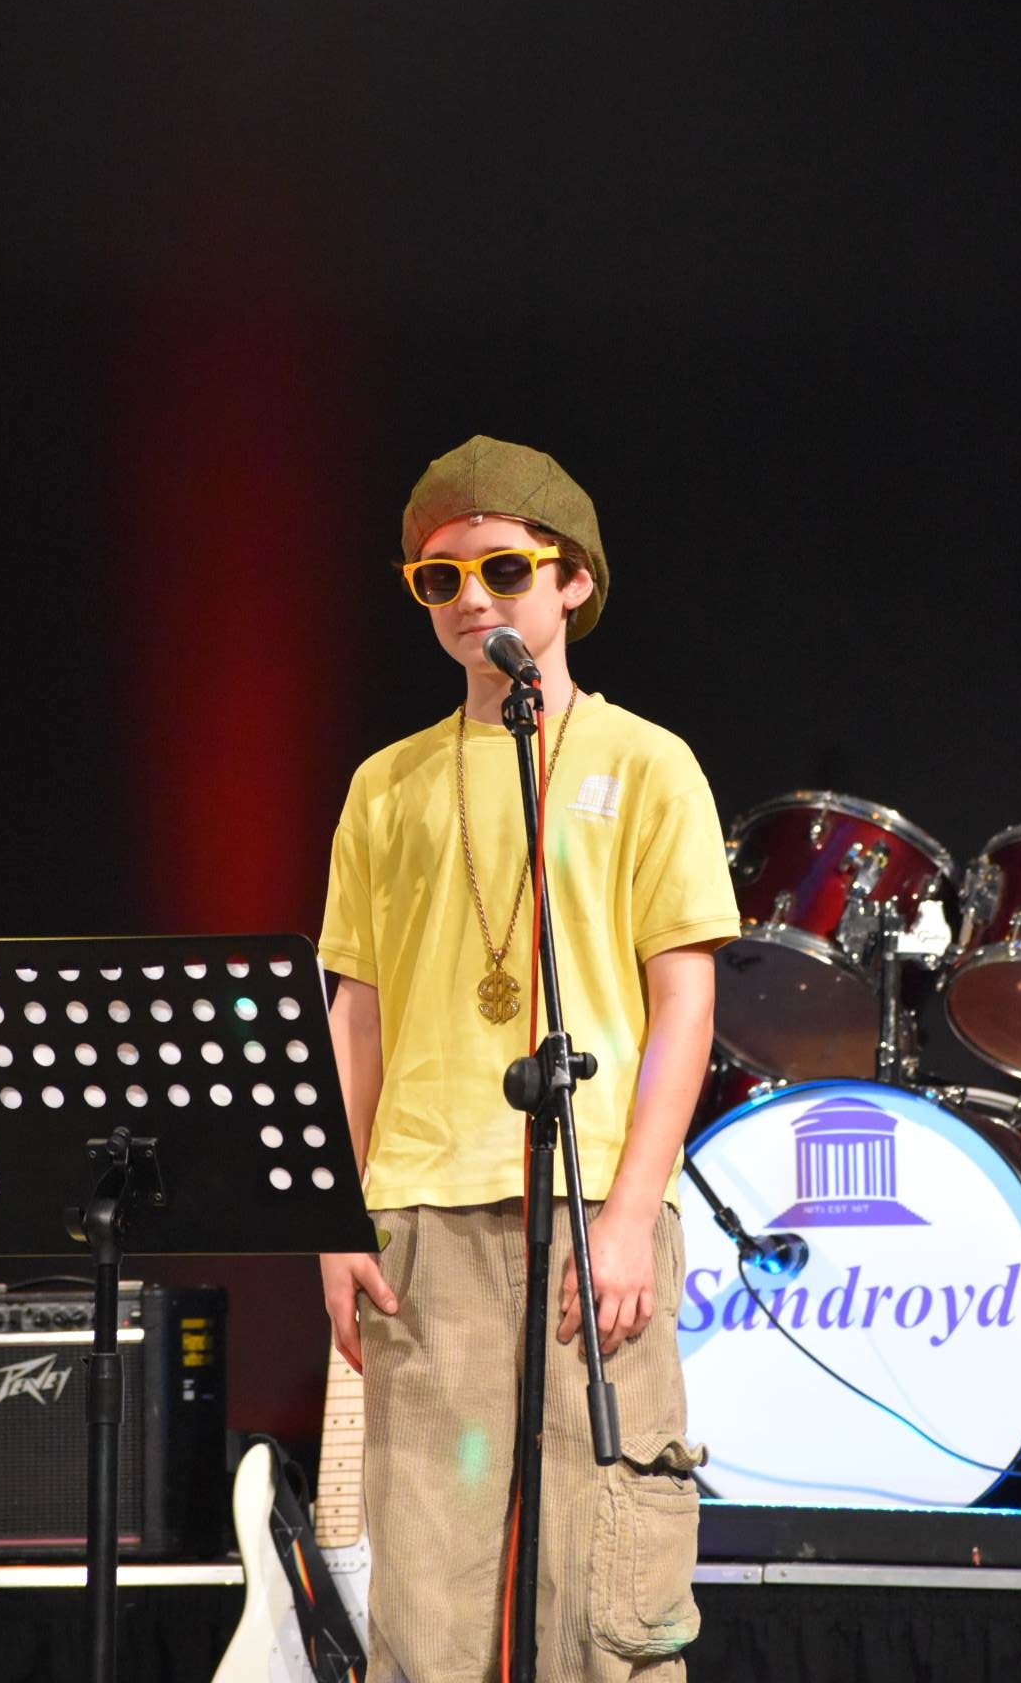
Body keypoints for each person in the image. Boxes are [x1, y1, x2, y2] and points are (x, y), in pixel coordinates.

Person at [317, 435, 740, 1683]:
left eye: (503, 569)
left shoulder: (646, 762)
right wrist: (332, 1216)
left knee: (605, 1593)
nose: (471, 600)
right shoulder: (384, 786)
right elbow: (356, 1014)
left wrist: (630, 1213)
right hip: (419, 1219)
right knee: (427, 1606)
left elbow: (684, 1004)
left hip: (590, 1211)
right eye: (437, 580)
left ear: (572, 580)